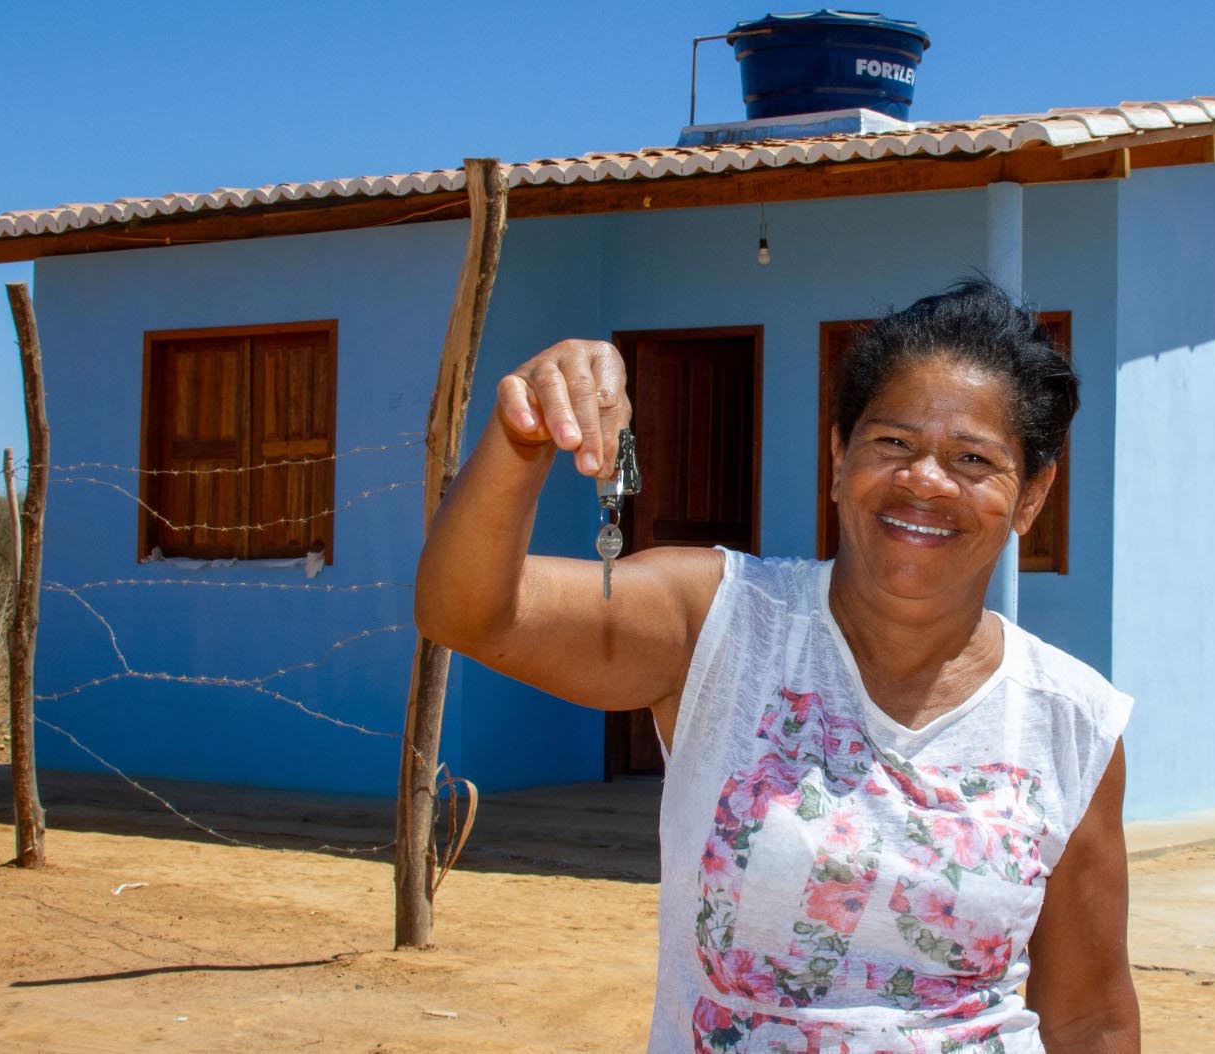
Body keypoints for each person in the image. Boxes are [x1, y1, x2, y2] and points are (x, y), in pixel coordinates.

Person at [416, 277, 1139, 1054]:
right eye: (893, 444)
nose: (925, 480)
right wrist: (522, 436)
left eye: (973, 459)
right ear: (838, 456)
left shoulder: (1070, 720)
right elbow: (468, 612)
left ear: (1030, 496)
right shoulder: (721, 624)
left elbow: (1089, 1017)